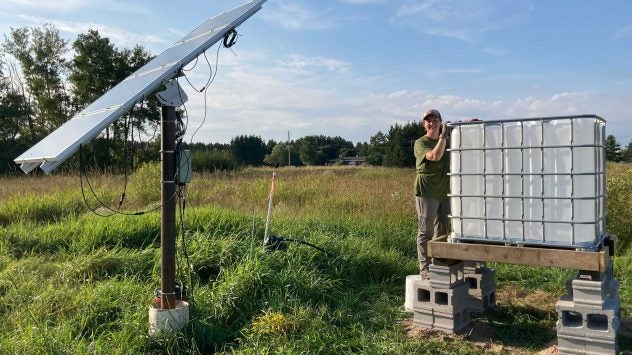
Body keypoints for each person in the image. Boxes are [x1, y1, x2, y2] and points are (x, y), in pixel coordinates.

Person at [414, 109, 451, 280]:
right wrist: (443, 137)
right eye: (428, 120)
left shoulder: (448, 141)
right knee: (426, 231)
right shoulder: (421, 143)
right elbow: (435, 156)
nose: (432, 123)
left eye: (435, 120)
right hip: (427, 190)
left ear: (440, 122)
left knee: (443, 229)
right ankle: (425, 268)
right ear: (424, 124)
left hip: (445, 190)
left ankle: (440, 265)